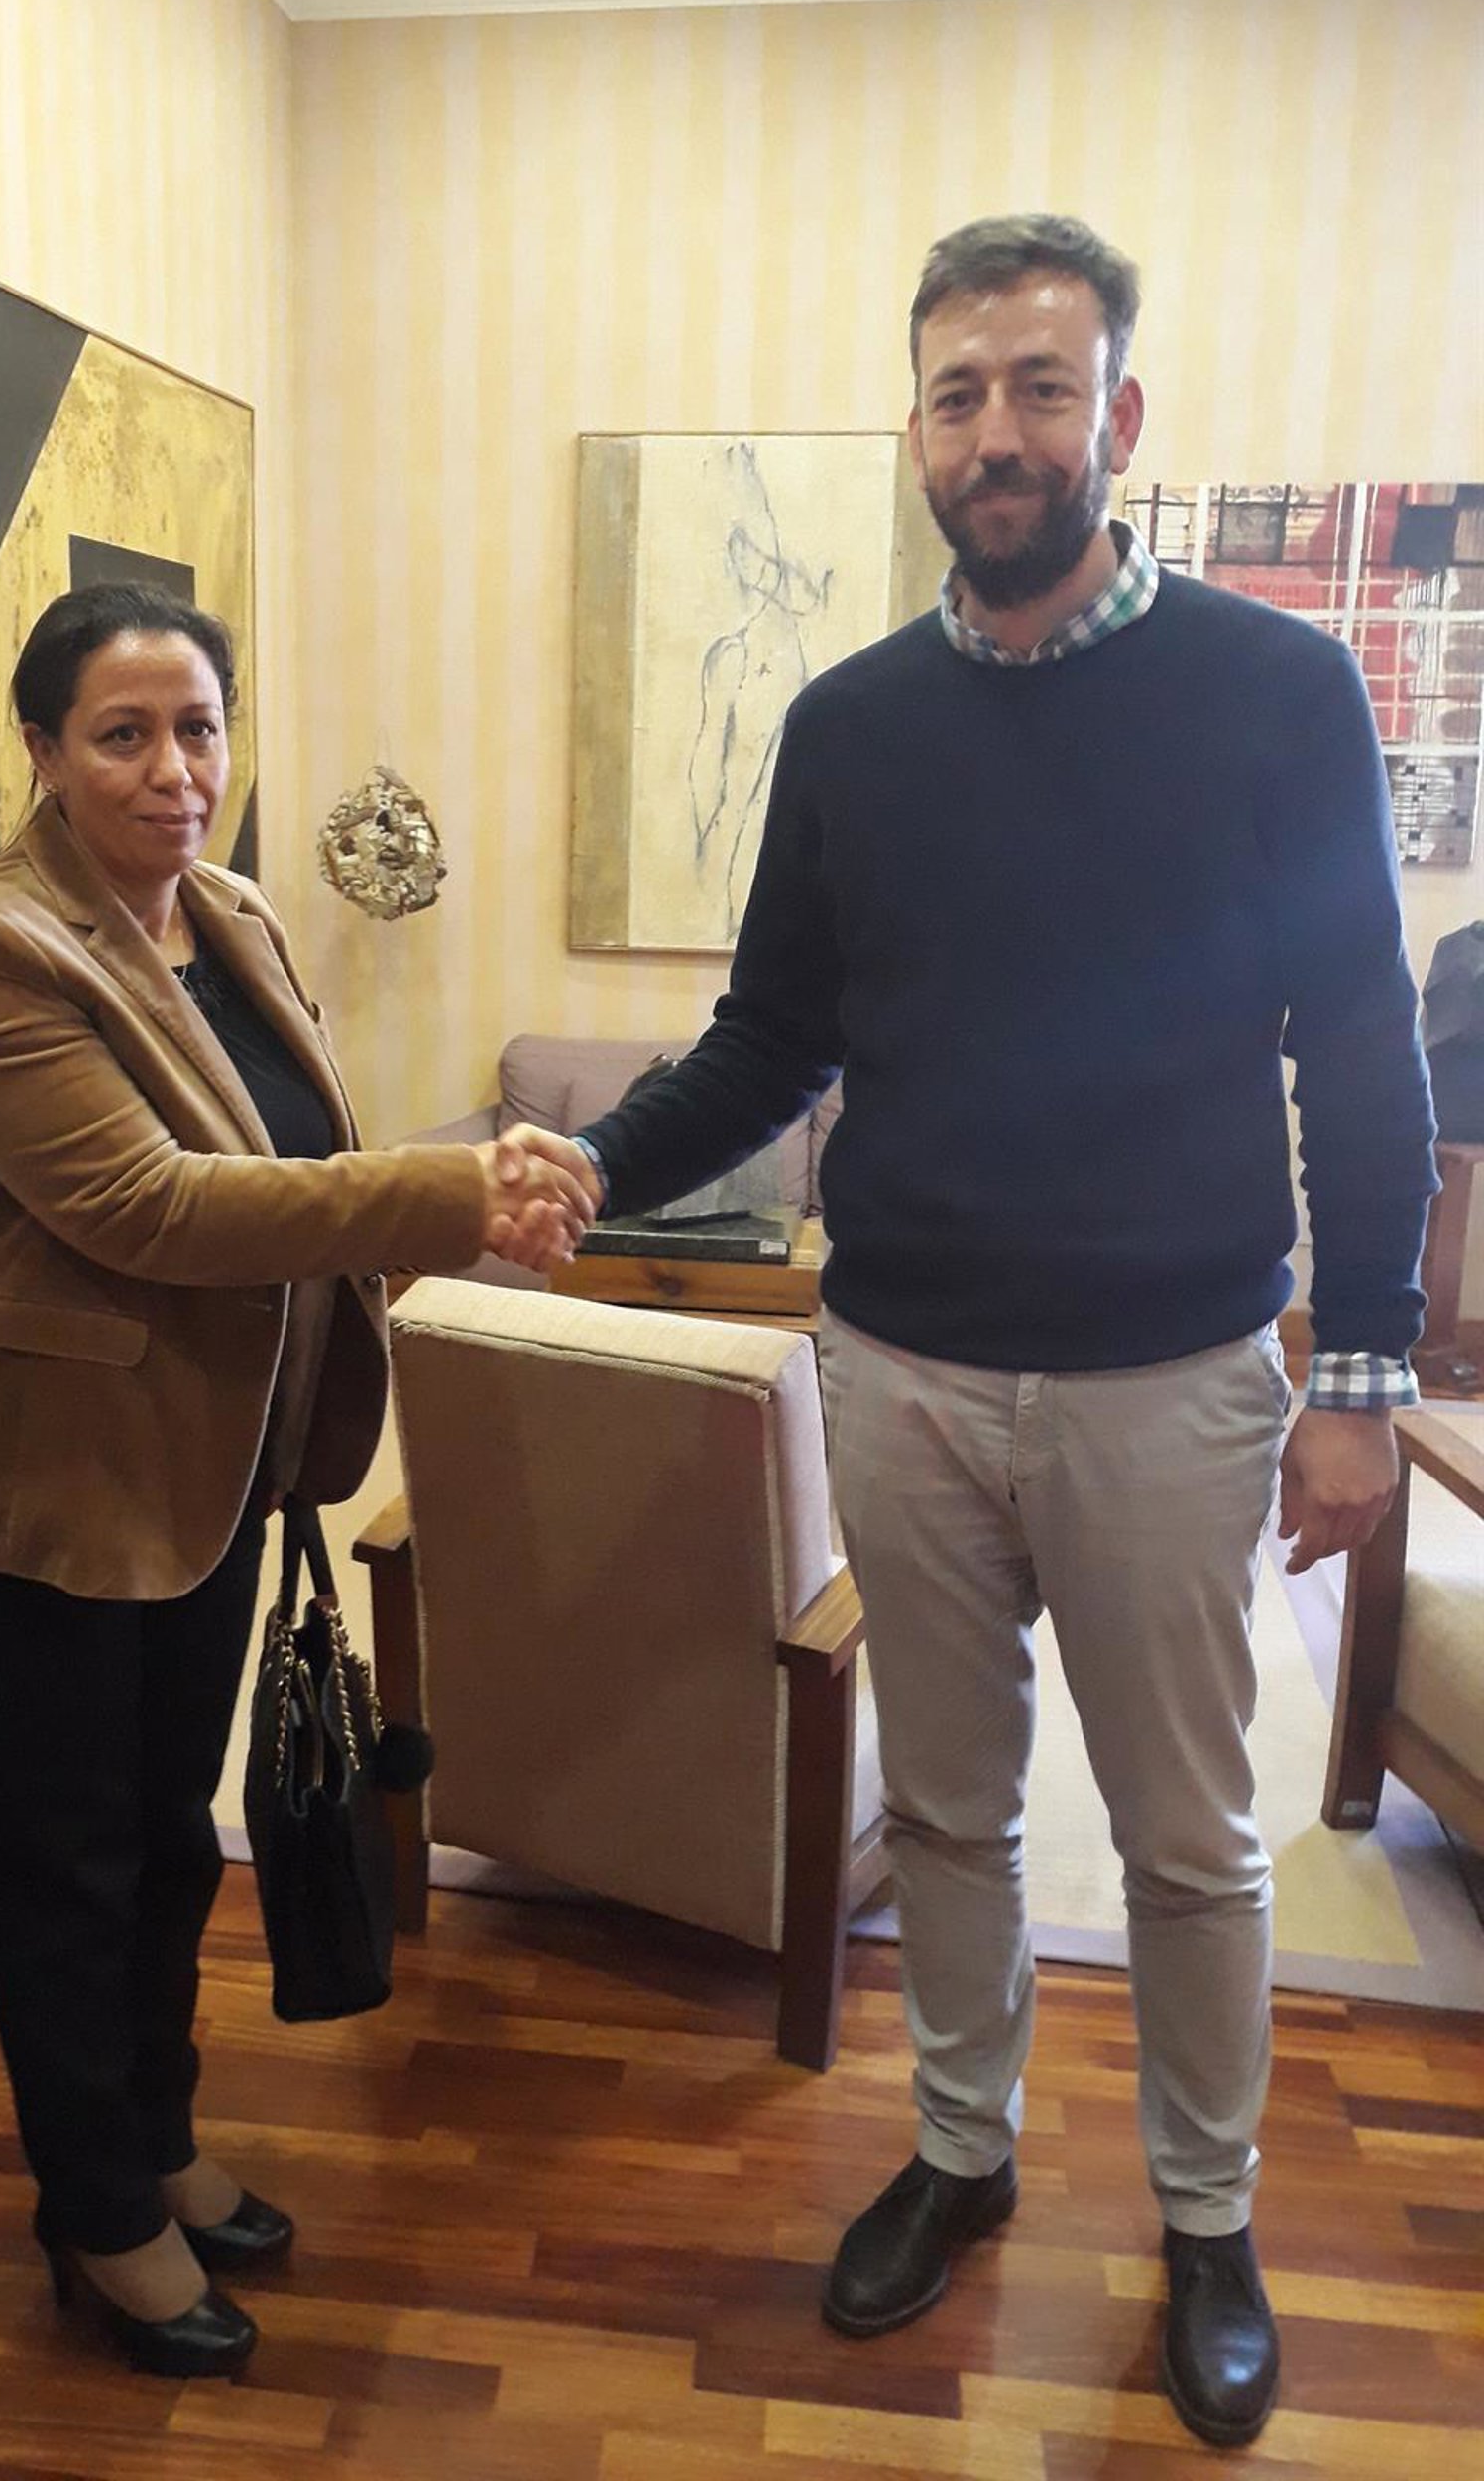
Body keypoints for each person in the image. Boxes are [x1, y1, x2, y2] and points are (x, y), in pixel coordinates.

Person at [521, 217, 1437, 2450]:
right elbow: (771, 1037)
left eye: (1043, 386)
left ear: (1120, 413)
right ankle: (962, 2145)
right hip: (904, 1370)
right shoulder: (850, 726)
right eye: (960, 393)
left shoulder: (1276, 692)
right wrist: (592, 1166)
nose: (999, 431)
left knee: (1190, 1835)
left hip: (1172, 1381)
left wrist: (1362, 1381)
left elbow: (1361, 1044)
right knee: (945, 1805)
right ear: (917, 429)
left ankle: (1206, 2215)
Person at [0, 581, 589, 2379]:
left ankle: (162, 2144)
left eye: (198, 728)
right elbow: (150, 1207)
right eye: (122, 734)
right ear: (43, 750)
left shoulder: (234, 912)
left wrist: (431, 1209)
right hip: (30, 1511)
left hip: (204, 1492)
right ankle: (97, 2217)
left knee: (173, 1857)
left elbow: (292, 1163)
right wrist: (454, 1192)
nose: (173, 770)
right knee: (67, 1885)